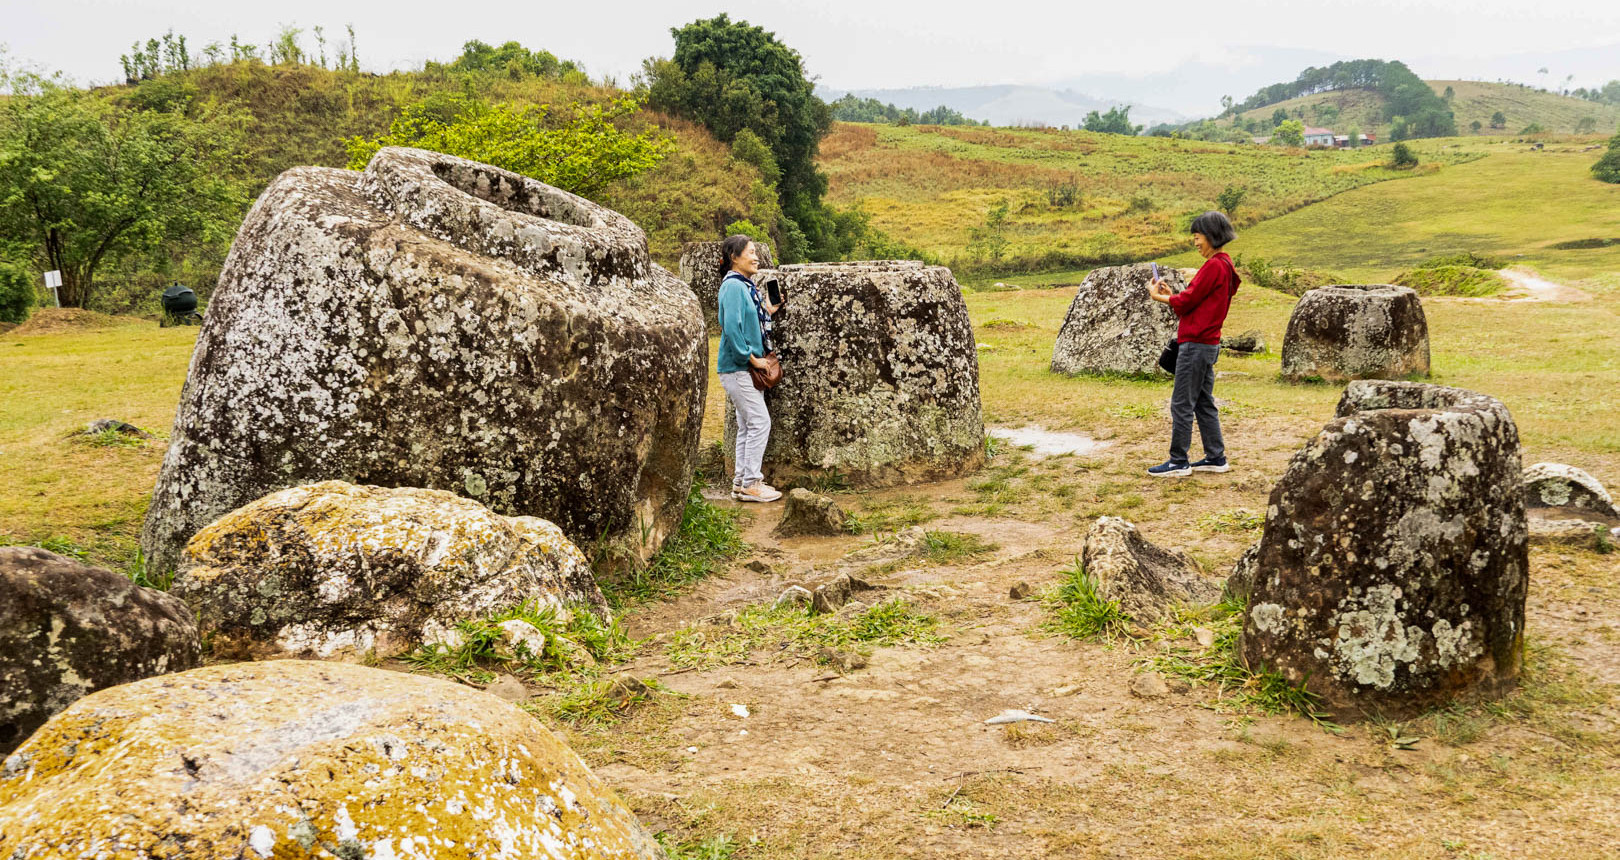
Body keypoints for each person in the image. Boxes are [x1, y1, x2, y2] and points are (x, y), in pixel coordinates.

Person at [1146, 211, 1240, 477]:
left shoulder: (1213, 266)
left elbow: (1187, 303)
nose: (1196, 242)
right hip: (1208, 342)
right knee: (1202, 401)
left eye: (1197, 237)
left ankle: (1178, 461)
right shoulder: (1226, 264)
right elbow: (1194, 301)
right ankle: (1215, 456)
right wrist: (1173, 296)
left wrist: (1160, 297)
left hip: (1196, 344)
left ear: (1211, 236)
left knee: (1182, 403)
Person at [716, 234, 783, 502]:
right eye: (750, 252)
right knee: (759, 422)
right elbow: (731, 328)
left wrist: (768, 308)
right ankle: (752, 482)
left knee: (747, 425)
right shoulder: (733, 286)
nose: (756, 257)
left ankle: (742, 482)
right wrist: (752, 358)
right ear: (735, 257)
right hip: (738, 367)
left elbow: (748, 319)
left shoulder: (744, 286)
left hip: (740, 368)